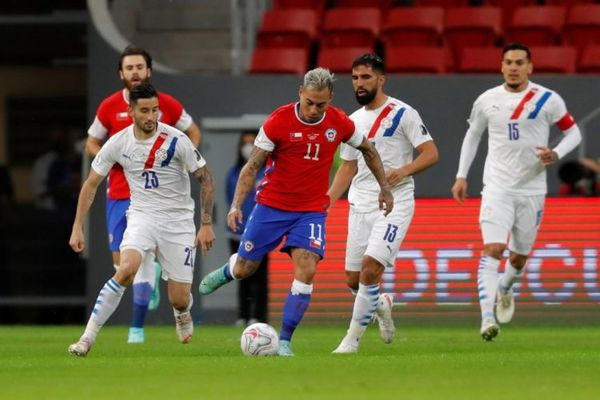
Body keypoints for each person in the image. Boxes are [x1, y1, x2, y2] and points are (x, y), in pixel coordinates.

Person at [199, 67, 394, 356]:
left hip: (310, 211)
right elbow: (252, 165)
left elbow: (368, 150)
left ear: (331, 99)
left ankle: (286, 340)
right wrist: (237, 205)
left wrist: (385, 188)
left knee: (307, 269)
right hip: (271, 206)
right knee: (245, 269)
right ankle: (230, 269)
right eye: (310, 103)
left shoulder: (339, 122)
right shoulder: (278, 122)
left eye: (322, 104)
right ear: (300, 92)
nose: (315, 110)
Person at [68, 83, 215, 357]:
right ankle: (87, 338)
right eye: (145, 110)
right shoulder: (118, 143)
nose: (151, 116)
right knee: (125, 270)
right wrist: (78, 226)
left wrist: (206, 224)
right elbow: (91, 185)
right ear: (131, 111)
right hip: (142, 216)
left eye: (155, 110)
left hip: (178, 222)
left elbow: (206, 178)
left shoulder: (176, 140)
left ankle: (182, 311)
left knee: (179, 298)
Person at [450, 43, 582, 341]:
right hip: (497, 187)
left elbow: (574, 132)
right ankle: (486, 319)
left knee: (519, 258)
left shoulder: (548, 99)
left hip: (532, 189)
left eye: (519, 62)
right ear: (501, 66)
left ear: (529, 67)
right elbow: (473, 136)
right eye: (508, 62)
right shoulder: (487, 100)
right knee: (493, 249)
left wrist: (557, 153)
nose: (513, 67)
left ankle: (506, 288)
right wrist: (461, 175)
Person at [86, 45, 202, 344]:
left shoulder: (167, 106)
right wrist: (108, 159)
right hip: (120, 195)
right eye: (130, 67)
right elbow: (91, 142)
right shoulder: (108, 107)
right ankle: (145, 283)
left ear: (148, 71)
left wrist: (182, 165)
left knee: (142, 271)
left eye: (140, 67)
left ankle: (136, 329)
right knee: (121, 265)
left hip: (160, 201)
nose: (135, 72)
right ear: (121, 73)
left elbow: (193, 134)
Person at [327, 54, 439, 353]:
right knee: (354, 279)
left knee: (370, 268)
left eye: (365, 77)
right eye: (355, 78)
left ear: (380, 79)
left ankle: (351, 341)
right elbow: (347, 168)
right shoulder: (352, 121)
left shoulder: (404, 113)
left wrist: (402, 172)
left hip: (395, 203)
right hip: (359, 205)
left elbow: (430, 153)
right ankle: (382, 304)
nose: (359, 83)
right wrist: (326, 202)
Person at [226, 131, 269, 326]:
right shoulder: (234, 173)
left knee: (260, 277)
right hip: (236, 234)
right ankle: (242, 316)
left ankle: (258, 316)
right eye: (245, 143)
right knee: (240, 274)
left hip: (260, 233)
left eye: (252, 142)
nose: (248, 146)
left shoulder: (265, 171)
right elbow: (230, 198)